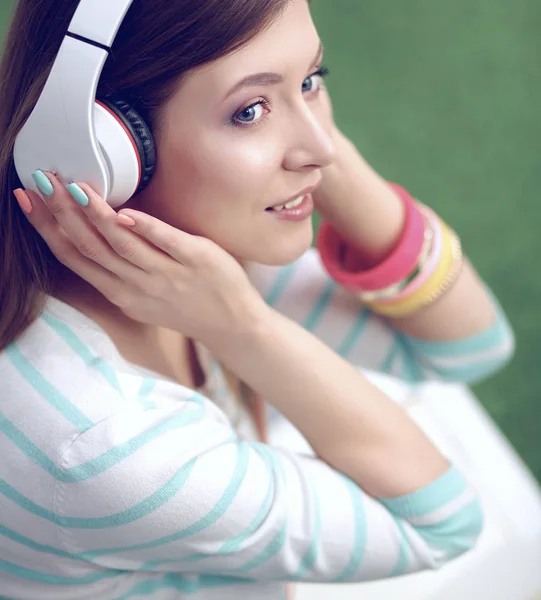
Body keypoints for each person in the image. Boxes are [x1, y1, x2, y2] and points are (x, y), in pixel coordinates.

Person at [0, 0, 515, 598]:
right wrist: (244, 329)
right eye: (249, 110)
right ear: (97, 149)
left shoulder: (197, 261)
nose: (321, 146)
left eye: (313, 80)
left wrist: (325, 158)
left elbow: (468, 348)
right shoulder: (102, 443)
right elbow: (442, 525)